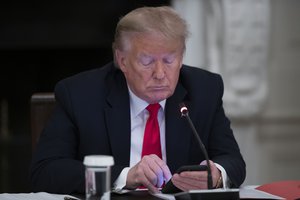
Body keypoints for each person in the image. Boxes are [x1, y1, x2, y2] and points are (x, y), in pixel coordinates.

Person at [30, 6, 246, 194]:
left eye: (170, 60)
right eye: (147, 61)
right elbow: (45, 171)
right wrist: (124, 176)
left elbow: (232, 160)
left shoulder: (204, 89)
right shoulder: (79, 94)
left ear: (181, 58)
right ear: (121, 60)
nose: (160, 73)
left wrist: (216, 174)